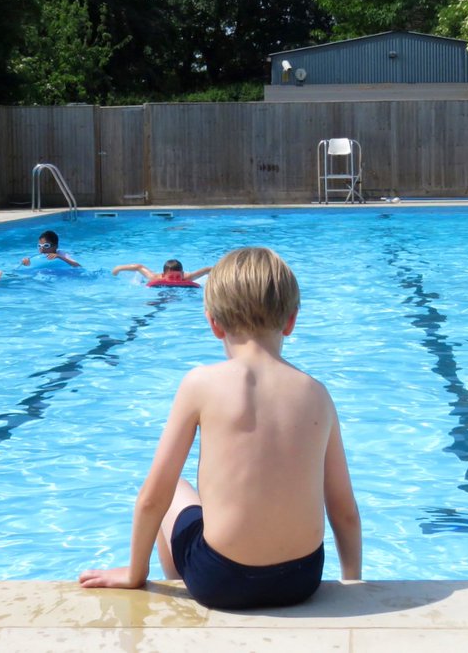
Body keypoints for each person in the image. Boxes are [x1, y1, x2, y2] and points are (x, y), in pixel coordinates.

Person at [78, 247, 362, 610]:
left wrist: (135, 571)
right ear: (291, 321)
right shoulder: (316, 392)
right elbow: (343, 507)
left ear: (214, 323)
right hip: (301, 579)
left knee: (177, 490)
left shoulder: (201, 383)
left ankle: (176, 587)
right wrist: (353, 580)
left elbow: (154, 496)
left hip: (220, 581)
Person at [111, 259, 212, 284]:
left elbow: (207, 270)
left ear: (182, 274)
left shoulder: (188, 277)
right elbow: (138, 267)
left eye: (178, 277)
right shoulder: (154, 278)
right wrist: (118, 268)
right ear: (164, 275)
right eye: (171, 277)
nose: (175, 281)